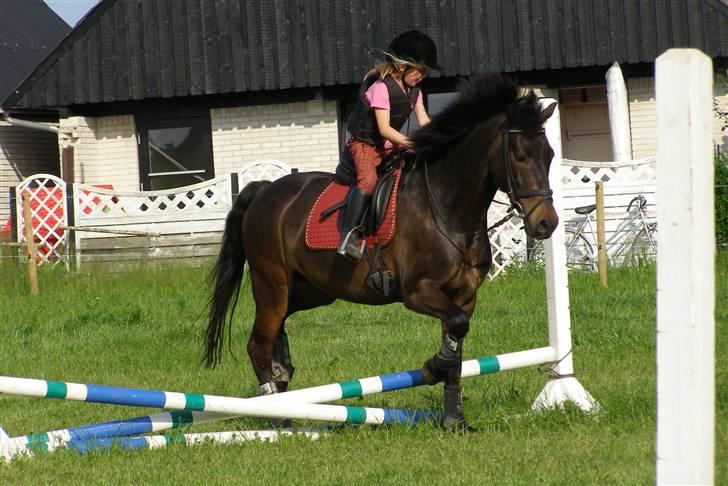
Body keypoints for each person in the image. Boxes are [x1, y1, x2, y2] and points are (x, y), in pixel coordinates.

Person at [338, 30, 442, 260]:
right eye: (420, 71)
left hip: (387, 148)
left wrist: (438, 138)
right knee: (368, 181)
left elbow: (423, 119)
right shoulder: (381, 88)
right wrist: (414, 143)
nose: (422, 77)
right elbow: (384, 130)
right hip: (364, 146)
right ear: (403, 66)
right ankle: (349, 236)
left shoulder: (414, 91)